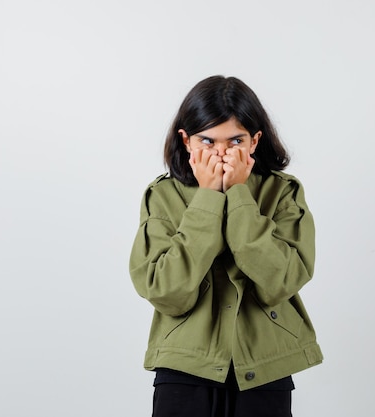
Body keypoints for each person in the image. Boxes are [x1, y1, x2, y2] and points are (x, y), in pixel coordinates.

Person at [129, 75, 322, 417]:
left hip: (266, 365)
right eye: (207, 140)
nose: (221, 153)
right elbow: (167, 291)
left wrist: (238, 194)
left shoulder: (283, 192)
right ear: (186, 141)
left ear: (254, 141)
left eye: (235, 140)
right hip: (184, 368)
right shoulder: (162, 196)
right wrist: (206, 199)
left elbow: (281, 281)